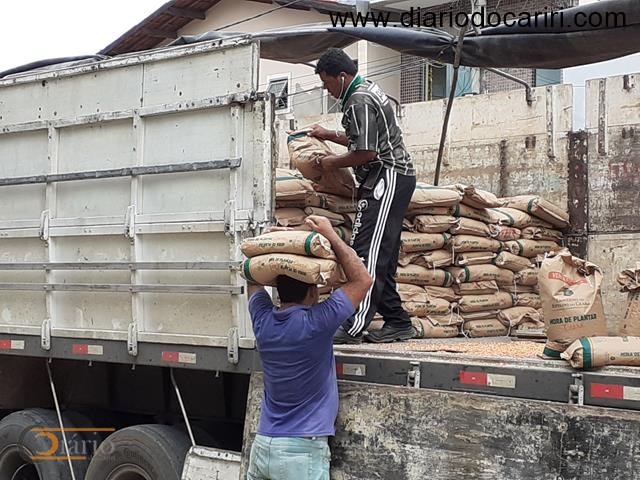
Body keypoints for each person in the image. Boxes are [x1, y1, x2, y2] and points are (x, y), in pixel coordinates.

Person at [245, 215, 373, 480]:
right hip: (301, 451)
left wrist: (271, 243)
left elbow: (252, 278)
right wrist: (331, 235)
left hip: (264, 445)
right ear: (313, 292)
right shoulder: (317, 323)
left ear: (278, 290)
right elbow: (362, 280)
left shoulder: (262, 320)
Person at [308, 47, 417, 345]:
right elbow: (363, 136)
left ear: (342, 76)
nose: (327, 90)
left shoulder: (358, 99)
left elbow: (366, 151)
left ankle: (353, 325)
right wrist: (329, 135)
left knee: (367, 251)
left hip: (388, 175)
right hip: (389, 176)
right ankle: (397, 321)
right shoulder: (364, 90)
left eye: (327, 83)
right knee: (383, 254)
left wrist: (330, 163)